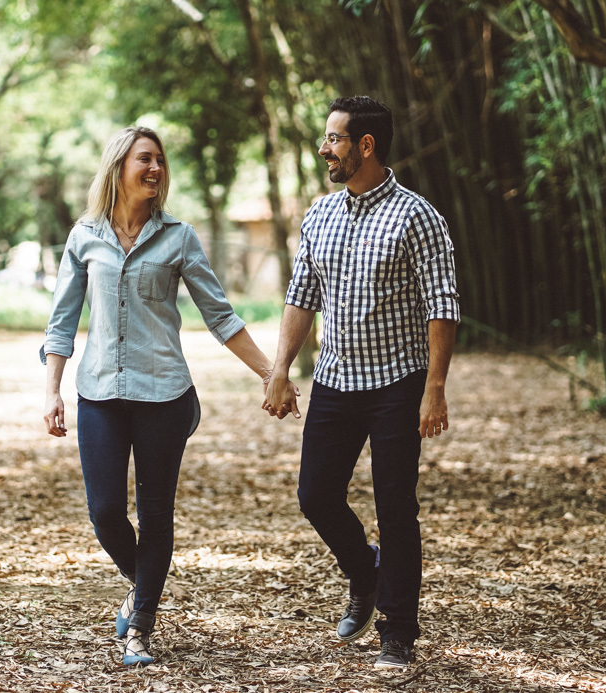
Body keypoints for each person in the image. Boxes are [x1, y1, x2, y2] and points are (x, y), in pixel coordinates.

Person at [42, 126, 288, 667]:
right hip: (101, 393)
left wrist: (271, 373)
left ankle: (140, 628)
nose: (154, 169)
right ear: (119, 167)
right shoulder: (85, 236)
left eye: (159, 160)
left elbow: (219, 315)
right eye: (144, 159)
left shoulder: (178, 237)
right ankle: (143, 583)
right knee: (105, 512)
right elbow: (61, 321)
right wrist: (52, 390)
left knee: (156, 516)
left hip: (164, 396)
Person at [262, 96, 460, 670]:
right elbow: (302, 297)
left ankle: (397, 631)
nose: (324, 148)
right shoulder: (319, 215)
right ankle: (367, 575)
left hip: (398, 383)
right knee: (315, 495)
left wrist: (435, 387)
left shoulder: (416, 216)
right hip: (335, 381)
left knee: (396, 508)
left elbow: (442, 304)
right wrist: (280, 370)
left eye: (334, 139)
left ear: (365, 145)